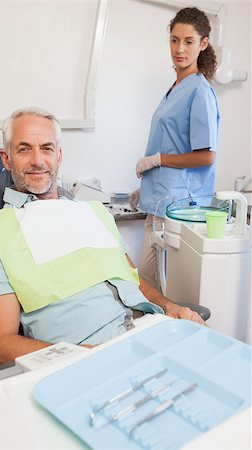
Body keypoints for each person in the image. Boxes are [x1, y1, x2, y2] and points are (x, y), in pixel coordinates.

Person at [0, 107, 204, 368]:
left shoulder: (92, 212)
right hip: (88, 362)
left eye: (46, 148)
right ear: (7, 158)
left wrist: (169, 307)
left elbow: (132, 279)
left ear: (58, 156)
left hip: (150, 334)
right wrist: (87, 358)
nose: (37, 160)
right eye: (24, 149)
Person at [130, 7, 220, 288]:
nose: (179, 49)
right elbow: (174, 141)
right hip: (160, 201)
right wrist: (147, 184)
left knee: (158, 287)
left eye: (189, 41)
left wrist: (155, 161)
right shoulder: (175, 88)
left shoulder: (199, 92)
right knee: (145, 282)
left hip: (179, 208)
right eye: (174, 40)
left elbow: (206, 156)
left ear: (203, 44)